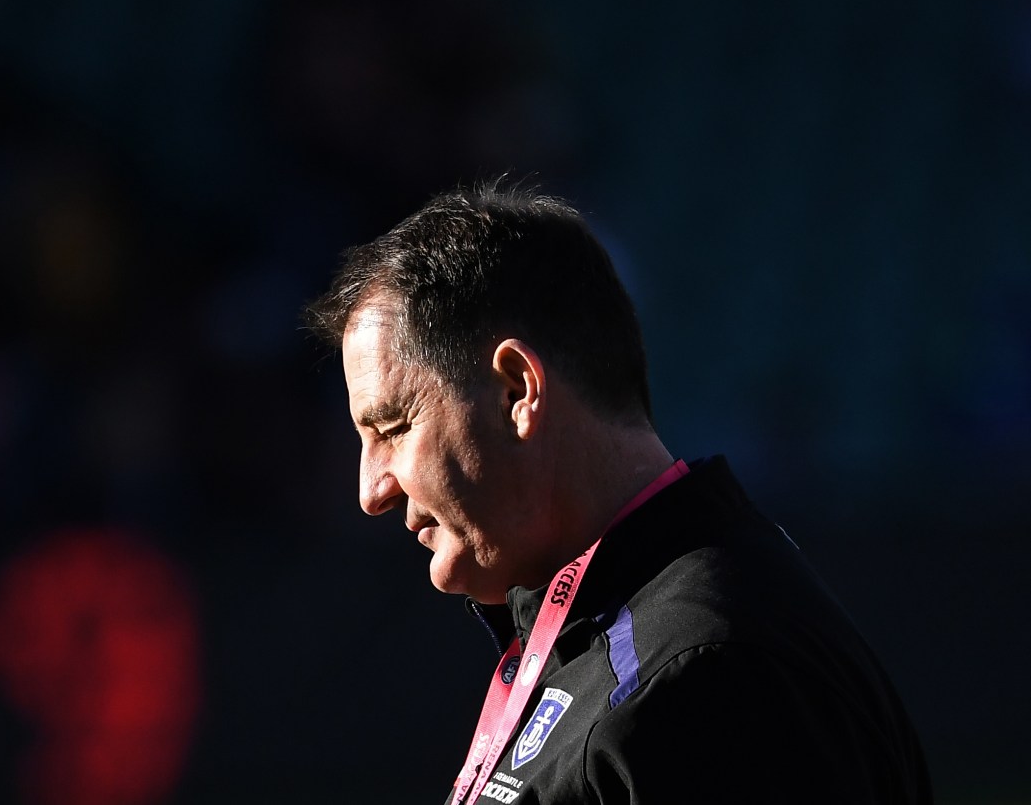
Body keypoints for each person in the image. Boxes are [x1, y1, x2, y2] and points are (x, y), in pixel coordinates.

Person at [300, 178, 933, 804]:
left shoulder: (708, 675)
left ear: (518, 391)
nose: (371, 490)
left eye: (393, 427)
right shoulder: (614, 641)